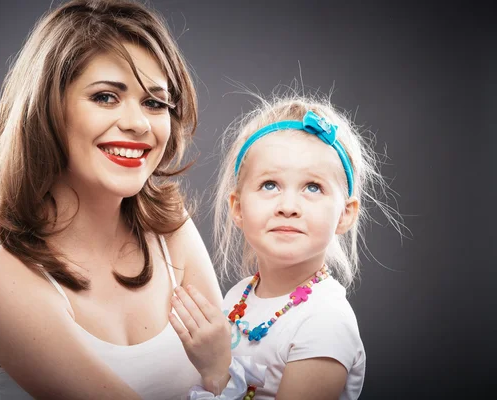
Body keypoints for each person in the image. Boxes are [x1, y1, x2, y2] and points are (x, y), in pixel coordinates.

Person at [0, 1, 224, 399]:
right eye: (105, 97)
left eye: (154, 102)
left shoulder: (169, 226)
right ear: (47, 109)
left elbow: (244, 369)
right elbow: (230, 373)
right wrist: (219, 374)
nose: (138, 123)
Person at [170, 91, 403, 399]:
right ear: (238, 208)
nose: (288, 206)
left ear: (345, 215)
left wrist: (217, 370)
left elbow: (217, 375)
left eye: (313, 187)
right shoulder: (237, 296)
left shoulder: (325, 322)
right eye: (270, 185)